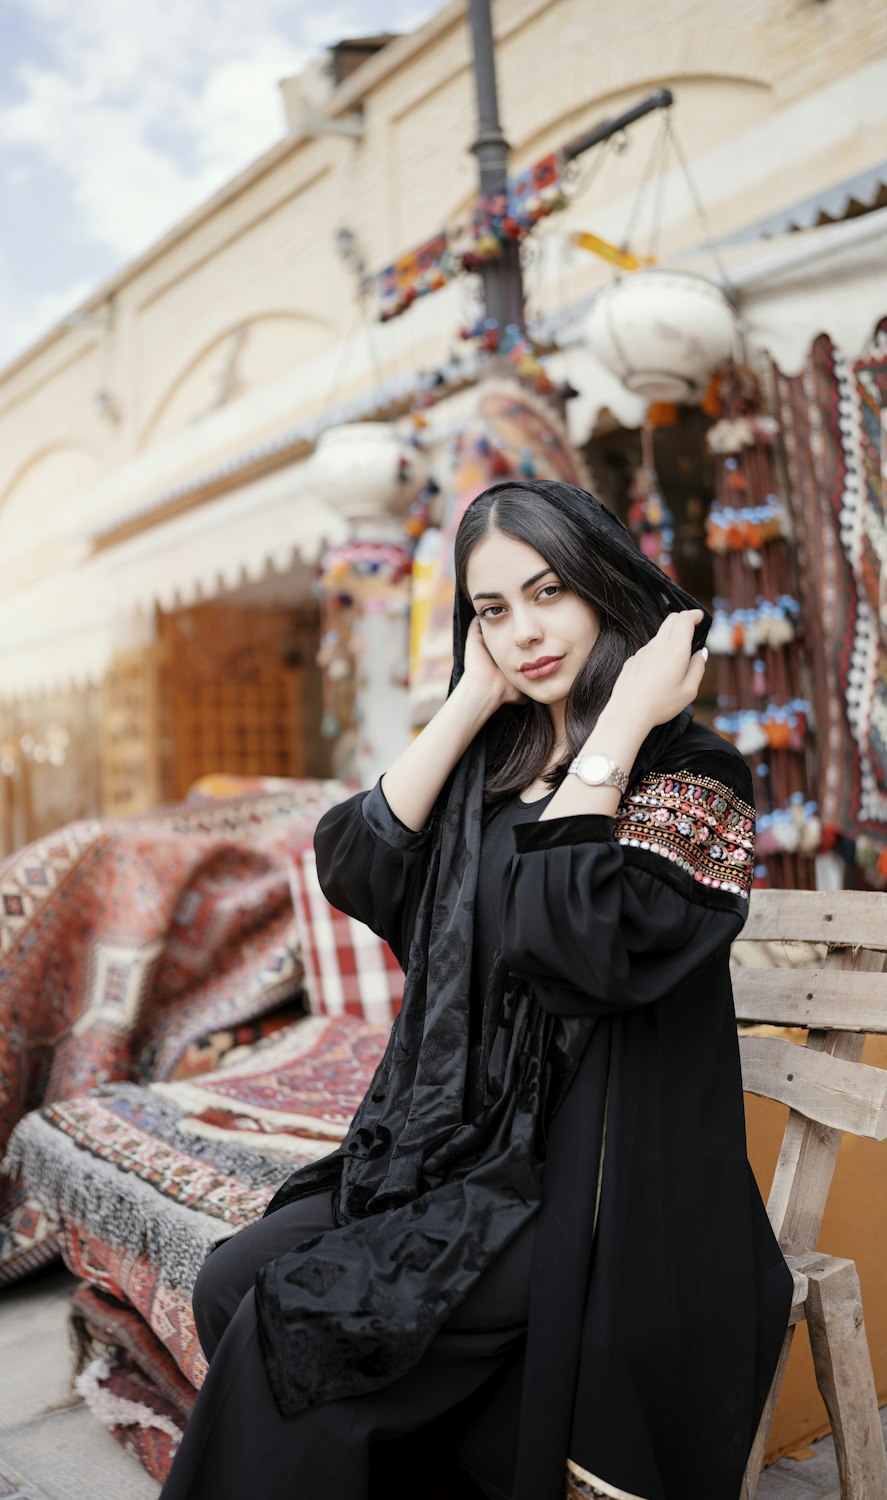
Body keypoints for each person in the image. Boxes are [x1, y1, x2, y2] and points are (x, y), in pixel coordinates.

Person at [160, 479, 793, 1500]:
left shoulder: (692, 776)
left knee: (304, 1319)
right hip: (454, 1152)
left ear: (603, 589)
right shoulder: (494, 762)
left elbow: (577, 936)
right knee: (237, 1279)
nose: (525, 632)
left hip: (598, 1193)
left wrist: (623, 720)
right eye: (492, 610)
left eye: (548, 594)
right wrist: (470, 700)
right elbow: (356, 864)